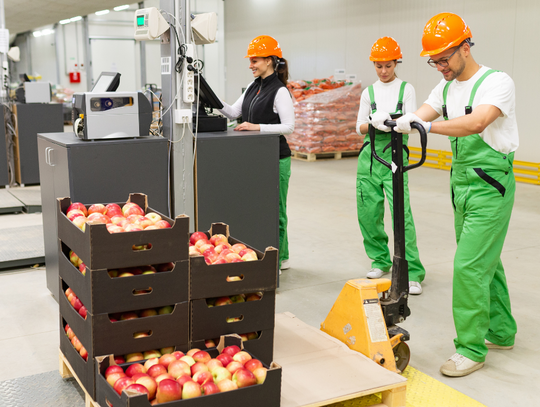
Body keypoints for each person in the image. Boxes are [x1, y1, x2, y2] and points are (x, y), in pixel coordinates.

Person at [373, 13, 518, 377]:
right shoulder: (446, 87)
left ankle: (470, 348)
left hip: (491, 184)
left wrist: (424, 125)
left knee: (468, 265)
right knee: (486, 261)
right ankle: (500, 331)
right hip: (461, 184)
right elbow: (421, 112)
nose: (439, 66)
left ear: (465, 48)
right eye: (433, 61)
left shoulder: (496, 81)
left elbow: (478, 122)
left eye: (443, 58)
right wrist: (396, 120)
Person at [356, 36, 426, 295]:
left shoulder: (405, 89)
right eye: (379, 66)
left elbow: (412, 124)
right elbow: (358, 126)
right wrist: (373, 121)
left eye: (388, 65)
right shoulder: (368, 92)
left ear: (396, 63)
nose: (384, 71)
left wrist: (391, 123)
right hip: (369, 156)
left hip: (396, 155)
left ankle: (413, 271)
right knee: (368, 213)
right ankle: (380, 260)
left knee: (401, 215)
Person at [218, 35, 294, 272]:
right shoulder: (253, 86)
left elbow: (289, 127)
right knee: (260, 207)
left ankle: (279, 258)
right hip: (255, 158)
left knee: (276, 210)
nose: (250, 64)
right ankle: (281, 253)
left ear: (270, 61)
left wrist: (256, 126)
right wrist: (209, 96)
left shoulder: (280, 91)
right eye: (250, 60)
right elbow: (232, 112)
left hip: (276, 158)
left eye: (255, 60)